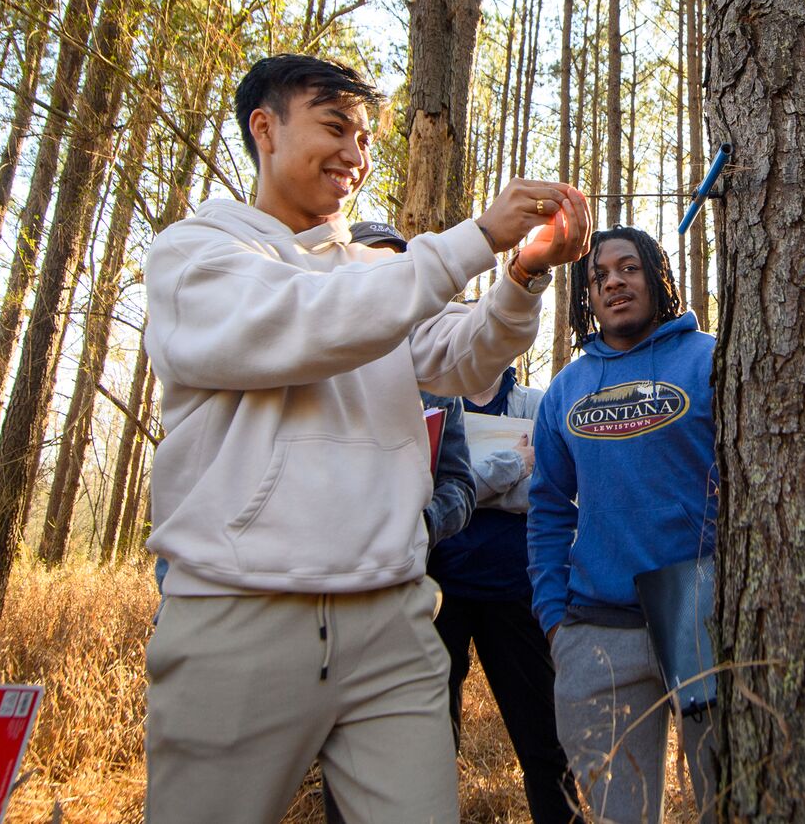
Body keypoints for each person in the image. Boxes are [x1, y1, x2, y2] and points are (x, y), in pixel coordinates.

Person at [141, 53, 590, 823]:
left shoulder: (367, 270)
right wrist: (473, 236)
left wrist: (521, 276)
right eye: (336, 127)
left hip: (394, 619)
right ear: (265, 128)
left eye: (367, 138)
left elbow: (461, 355)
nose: (356, 154)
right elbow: (317, 320)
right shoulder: (196, 254)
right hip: (240, 615)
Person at [355, 221, 580, 824]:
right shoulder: (421, 393)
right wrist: (503, 472)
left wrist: (489, 481)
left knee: (545, 742)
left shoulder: (534, 403)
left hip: (516, 591)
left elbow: (547, 491)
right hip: (438, 591)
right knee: (429, 741)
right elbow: (437, 487)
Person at [529, 227, 718, 824]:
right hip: (598, 630)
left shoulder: (711, 360)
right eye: (599, 275)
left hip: (706, 617)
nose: (614, 281)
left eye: (628, 267)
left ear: (657, 276)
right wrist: (555, 618)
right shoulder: (566, 389)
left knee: (735, 803)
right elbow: (550, 508)